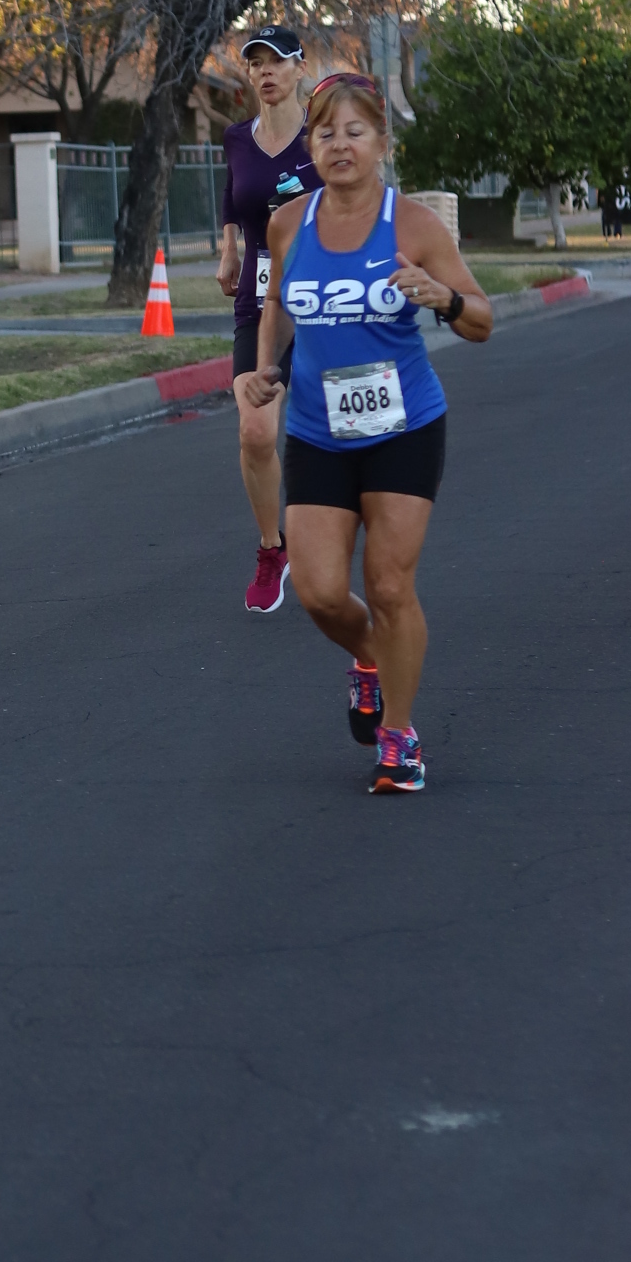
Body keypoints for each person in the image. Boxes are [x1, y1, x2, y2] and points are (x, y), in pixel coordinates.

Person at [241, 73, 491, 793]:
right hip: (318, 430)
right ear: (311, 146)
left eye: (354, 132)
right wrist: (265, 368)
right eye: (325, 134)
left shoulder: (413, 225)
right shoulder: (289, 223)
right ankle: (374, 660)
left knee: (387, 583)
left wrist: (442, 297)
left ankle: (399, 738)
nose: (339, 145)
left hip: (403, 426)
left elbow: (481, 319)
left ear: (382, 142)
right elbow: (277, 303)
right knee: (321, 592)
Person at [218, 21, 317, 613]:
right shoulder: (238, 138)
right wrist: (229, 246)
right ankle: (272, 548)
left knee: (332, 435)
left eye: (276, 61)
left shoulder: (322, 134)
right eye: (255, 63)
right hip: (260, 303)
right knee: (255, 432)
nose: (264, 72)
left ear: (300, 67)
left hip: (325, 304)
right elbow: (233, 191)